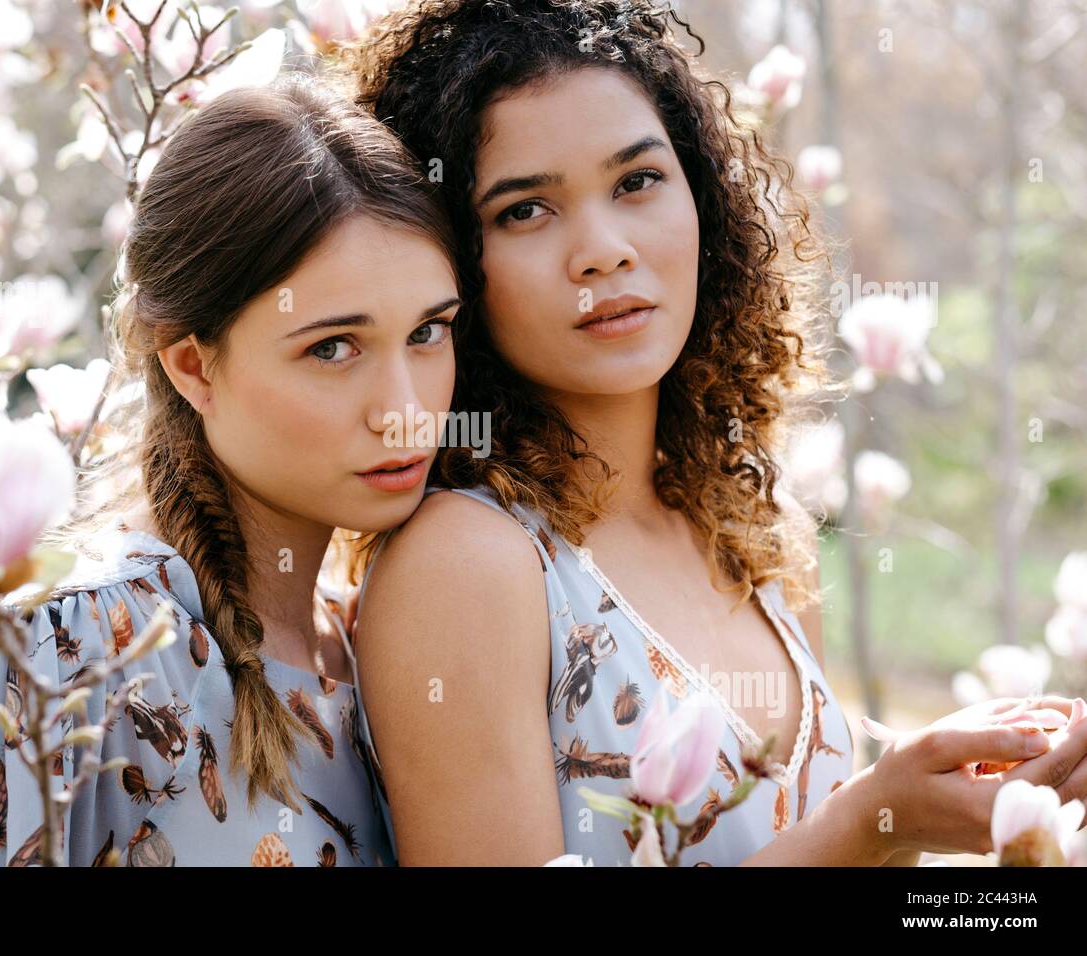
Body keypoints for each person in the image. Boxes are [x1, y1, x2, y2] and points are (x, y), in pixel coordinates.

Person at [336, 0, 1087, 865]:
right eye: (524, 211)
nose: (603, 250)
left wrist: (950, 812)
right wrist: (868, 818)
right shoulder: (466, 562)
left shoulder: (754, 538)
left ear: (705, 202)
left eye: (636, 182)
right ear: (448, 262)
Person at [0, 70, 461, 867]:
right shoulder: (72, 650)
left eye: (428, 333)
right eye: (333, 347)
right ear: (193, 366)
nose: (404, 407)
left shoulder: (377, 647)